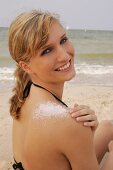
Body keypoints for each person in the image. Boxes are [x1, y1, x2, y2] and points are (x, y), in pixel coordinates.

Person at [8, 10, 113, 170]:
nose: (65, 55)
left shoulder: (24, 94)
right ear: (26, 66)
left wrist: (87, 135)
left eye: (63, 40)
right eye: (47, 51)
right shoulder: (70, 124)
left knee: (107, 127)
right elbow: (65, 131)